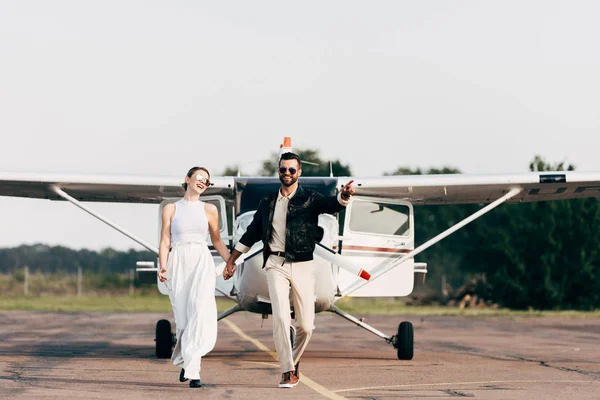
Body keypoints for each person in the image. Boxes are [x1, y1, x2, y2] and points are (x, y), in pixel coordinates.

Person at [223, 152, 355, 388]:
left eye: (291, 170)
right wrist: (232, 260)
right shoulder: (267, 202)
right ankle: (287, 371)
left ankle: (292, 362)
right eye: (283, 170)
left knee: (306, 326)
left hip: (303, 264)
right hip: (274, 265)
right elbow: (251, 233)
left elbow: (332, 204)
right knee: (282, 318)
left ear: (299, 172)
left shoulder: (311, 198)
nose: (287, 173)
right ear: (278, 171)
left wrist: (343, 197)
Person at [158, 166, 230, 388]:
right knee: (183, 319)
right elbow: (165, 240)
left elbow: (217, 240)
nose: (202, 182)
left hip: (201, 259)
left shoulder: (209, 209)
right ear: (187, 179)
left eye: (206, 181)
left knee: (199, 312)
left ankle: (193, 371)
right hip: (178, 261)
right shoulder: (171, 209)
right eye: (199, 177)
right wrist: (162, 266)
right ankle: (185, 360)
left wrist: (230, 260)